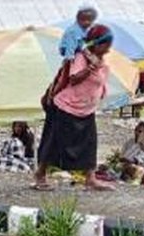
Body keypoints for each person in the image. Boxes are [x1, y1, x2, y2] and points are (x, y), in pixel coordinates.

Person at [33, 24, 114, 191]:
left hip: (87, 109)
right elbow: (74, 78)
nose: (108, 48)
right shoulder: (80, 57)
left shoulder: (102, 62)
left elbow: (100, 83)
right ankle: (40, 174)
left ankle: (90, 178)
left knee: (90, 144)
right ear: (98, 43)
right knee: (53, 142)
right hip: (66, 106)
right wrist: (91, 67)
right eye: (107, 44)